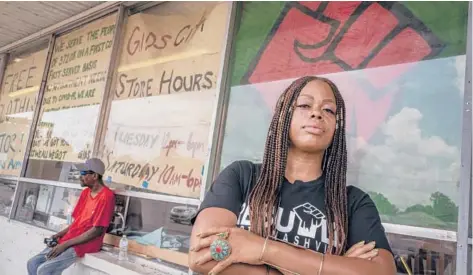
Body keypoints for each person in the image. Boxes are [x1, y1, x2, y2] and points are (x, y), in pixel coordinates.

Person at [189, 76, 396, 275]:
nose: (317, 114)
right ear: (284, 116)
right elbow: (203, 255)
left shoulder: (353, 203)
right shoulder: (242, 176)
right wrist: (331, 268)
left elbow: (382, 272)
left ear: (336, 127)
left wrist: (265, 250)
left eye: (328, 110)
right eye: (305, 106)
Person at [27, 158, 115, 275]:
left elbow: (97, 231)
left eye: (83, 173)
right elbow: (77, 222)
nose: (80, 176)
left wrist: (65, 245)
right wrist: (59, 235)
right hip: (70, 239)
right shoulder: (85, 193)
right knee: (32, 263)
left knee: (44, 270)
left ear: (94, 175)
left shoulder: (107, 196)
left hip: (85, 244)